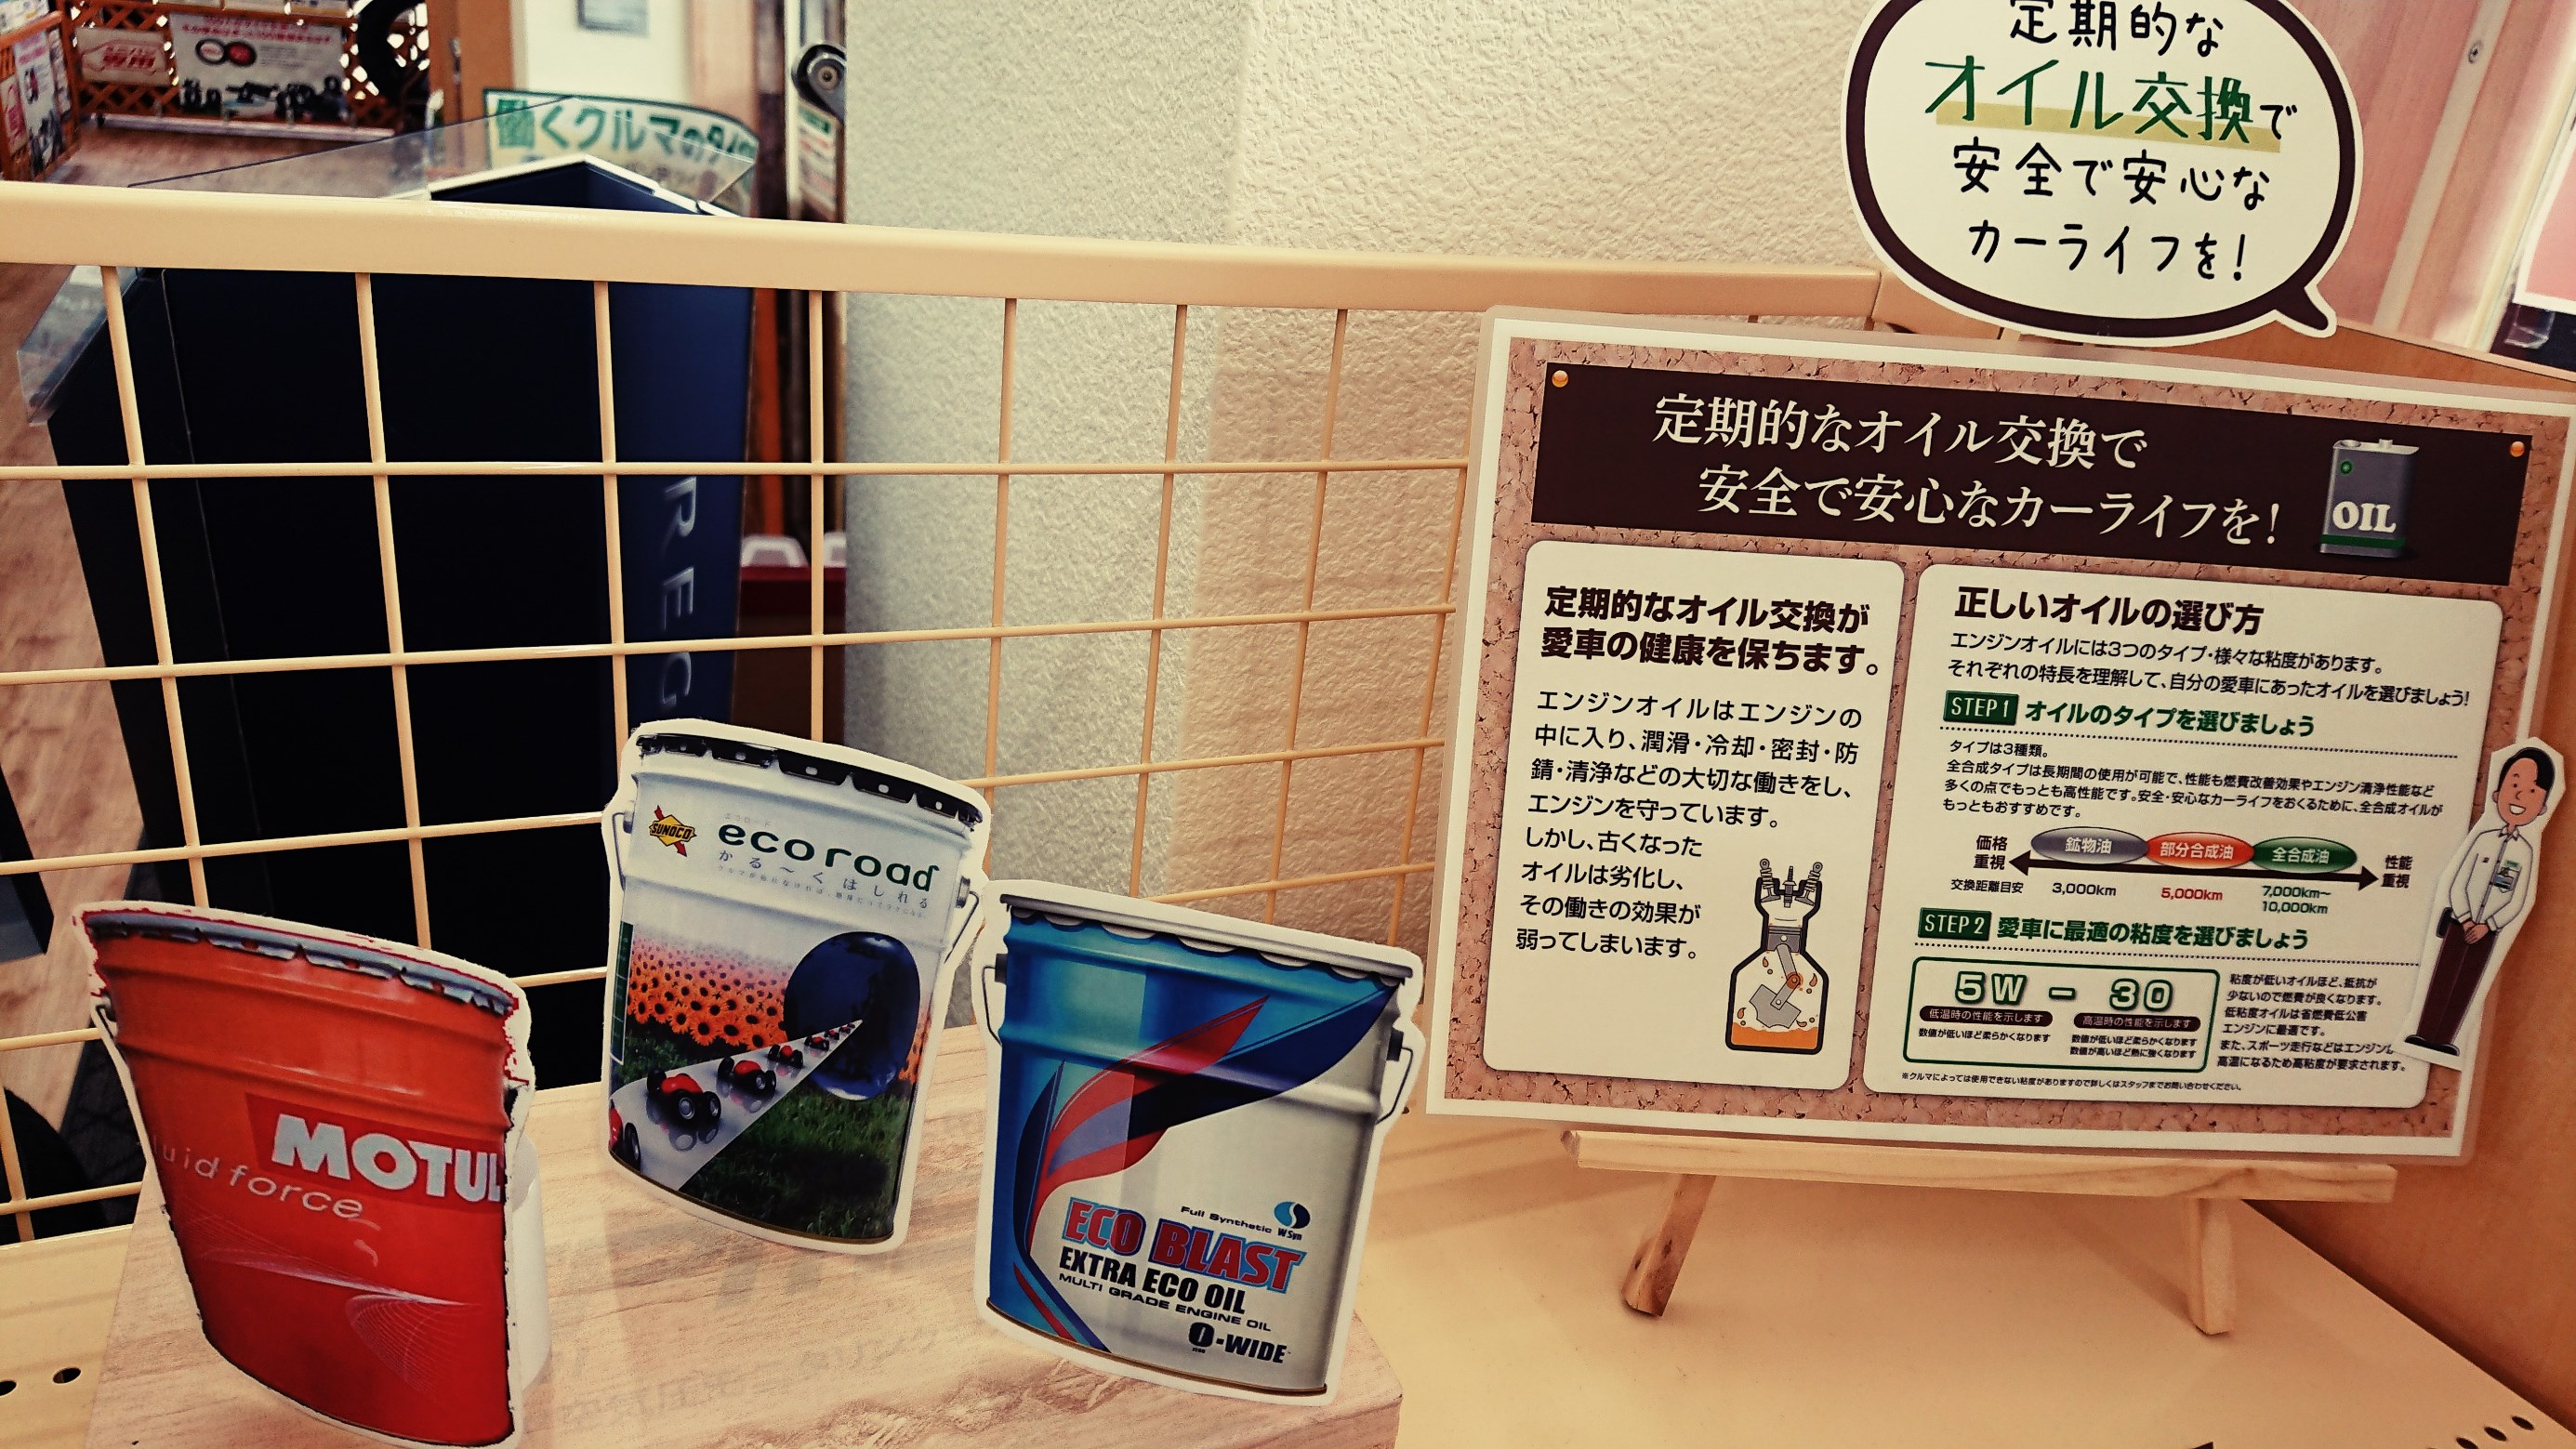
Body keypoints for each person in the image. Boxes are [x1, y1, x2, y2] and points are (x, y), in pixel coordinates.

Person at [2404, 744, 2556, 1058]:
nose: (2520, 796)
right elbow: (2458, 881)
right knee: (2443, 976)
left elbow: (2518, 898)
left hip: (2488, 932)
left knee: (2467, 983)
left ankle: (2445, 1038)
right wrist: (2466, 918)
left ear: (2542, 807)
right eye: (2514, 785)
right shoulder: (2483, 839)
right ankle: (2425, 1033)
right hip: (2459, 922)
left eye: (2532, 791)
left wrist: (2489, 925)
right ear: (2496, 793)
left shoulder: (2525, 852)